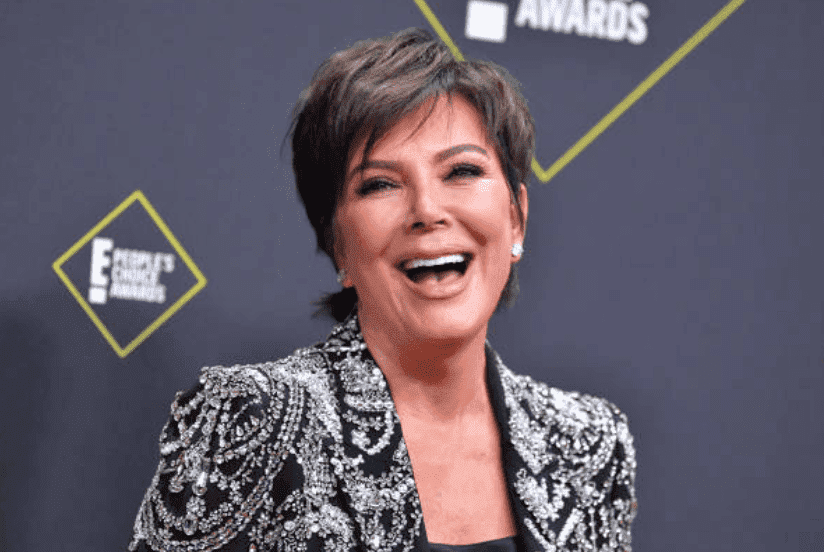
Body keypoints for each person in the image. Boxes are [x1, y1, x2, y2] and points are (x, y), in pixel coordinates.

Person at [127, 27, 636, 552]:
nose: (427, 211)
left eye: (461, 171)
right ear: (338, 245)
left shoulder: (589, 442)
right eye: (380, 184)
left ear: (517, 220)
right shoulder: (251, 418)